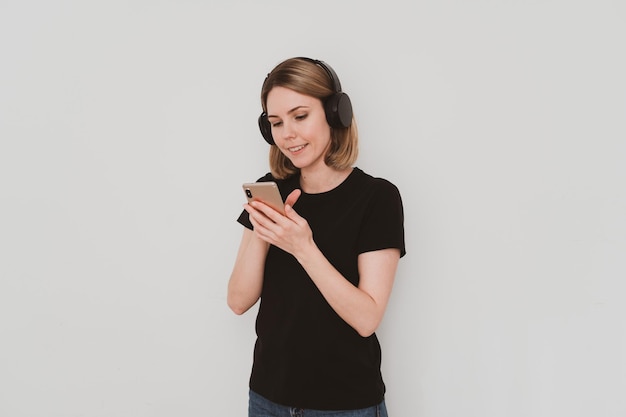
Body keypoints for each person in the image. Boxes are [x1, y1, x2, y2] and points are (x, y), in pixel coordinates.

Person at [227, 57, 406, 417]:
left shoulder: (377, 198)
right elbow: (238, 300)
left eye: (300, 116)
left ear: (335, 113)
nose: (287, 134)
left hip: (344, 405)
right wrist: (265, 227)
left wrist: (302, 246)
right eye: (276, 123)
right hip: (267, 399)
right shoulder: (270, 188)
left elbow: (366, 318)